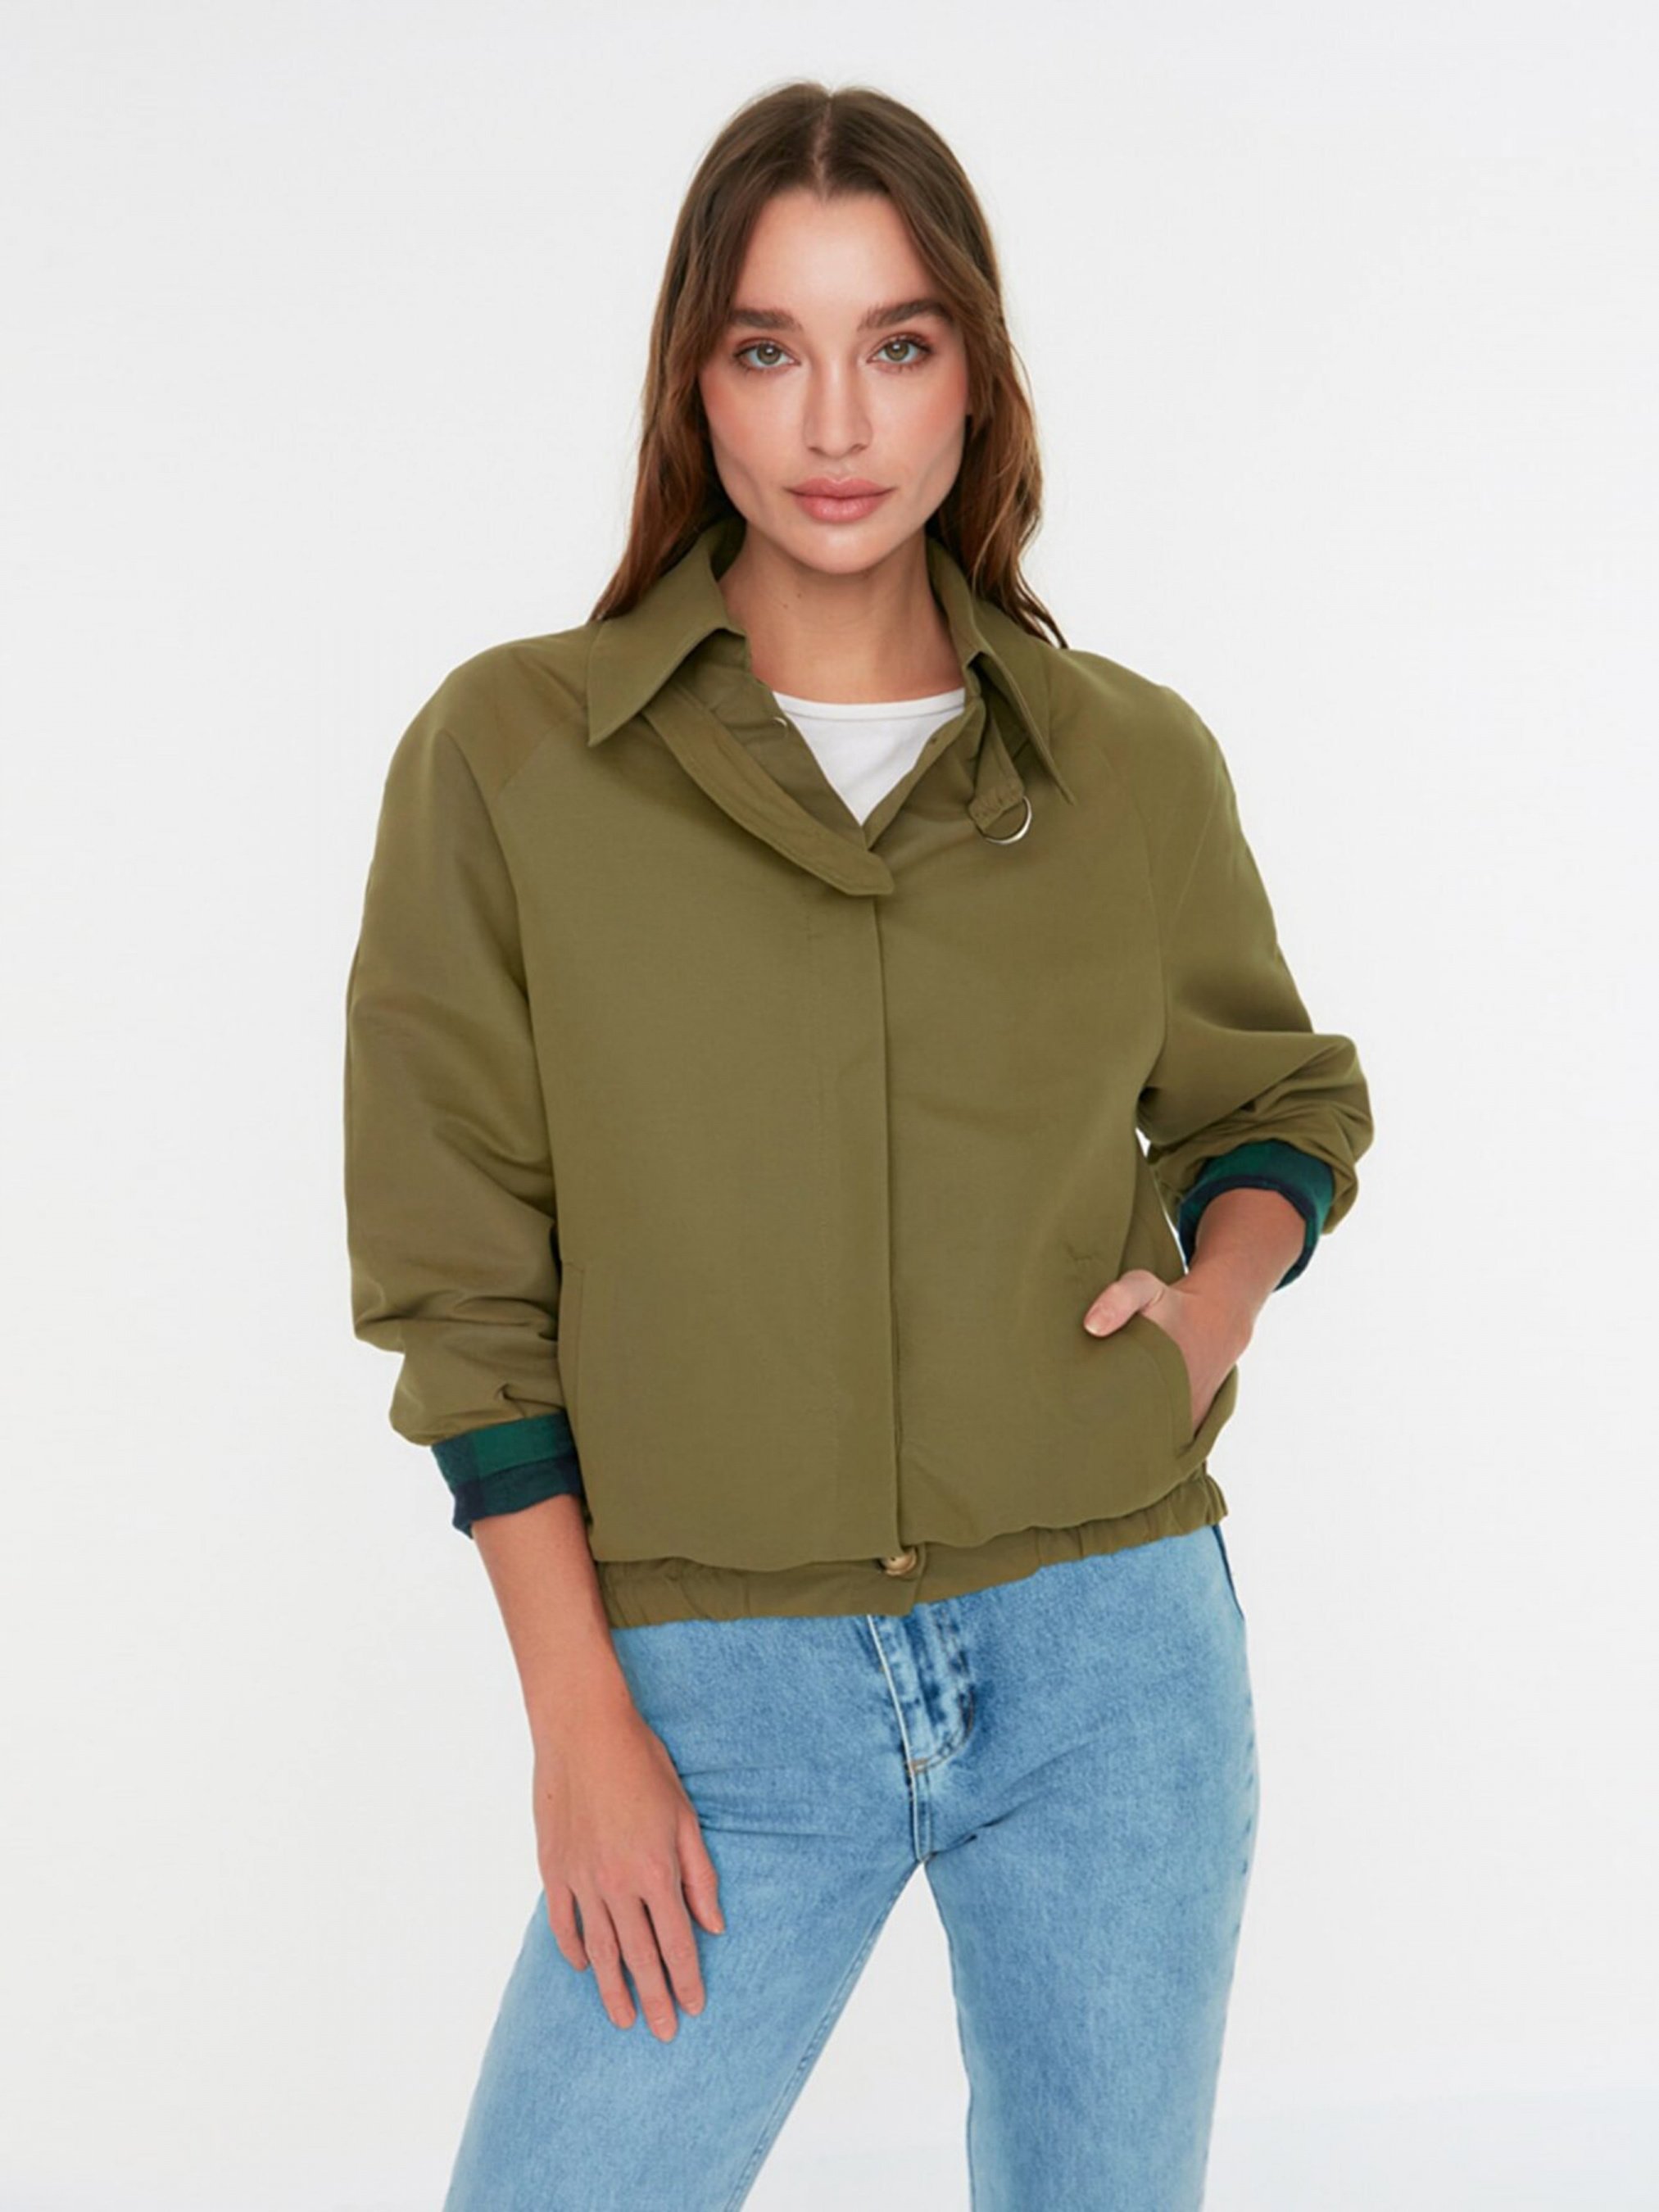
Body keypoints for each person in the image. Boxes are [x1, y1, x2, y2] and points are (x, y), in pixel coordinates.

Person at [342, 78, 1374, 2212]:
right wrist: (577, 1717)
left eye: (895, 344)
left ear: (971, 376)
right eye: (768, 347)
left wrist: (1210, 1307)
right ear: (693, 381)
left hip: (1112, 1657)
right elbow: (462, 1280)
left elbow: (1274, 1099)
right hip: (706, 1693)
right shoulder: (515, 758)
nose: (836, 421)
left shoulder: (1121, 763)